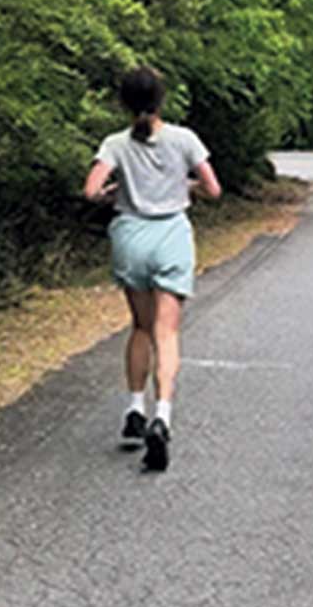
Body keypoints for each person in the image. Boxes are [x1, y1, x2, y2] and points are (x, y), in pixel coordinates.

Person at [83, 66, 221, 470]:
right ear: (162, 100)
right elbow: (213, 188)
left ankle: (133, 409)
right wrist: (186, 186)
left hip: (131, 238)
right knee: (168, 331)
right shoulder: (184, 139)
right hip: (172, 238)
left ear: (123, 103)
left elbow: (91, 190)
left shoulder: (114, 144)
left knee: (140, 328)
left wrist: (115, 194)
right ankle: (162, 416)